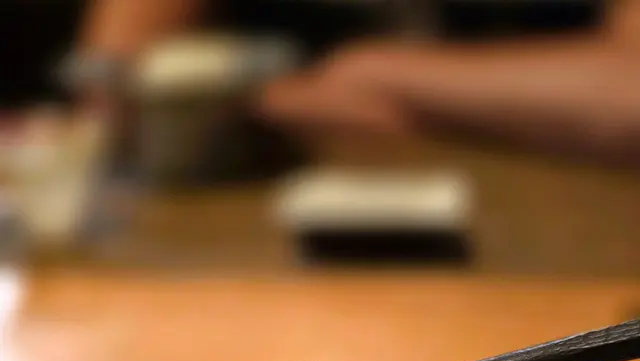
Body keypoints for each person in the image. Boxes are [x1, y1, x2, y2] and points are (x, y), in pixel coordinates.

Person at [72, 0, 640, 163]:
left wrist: (370, 72)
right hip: (248, 227)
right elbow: (113, 73)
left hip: (550, 226)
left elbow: (626, 98)